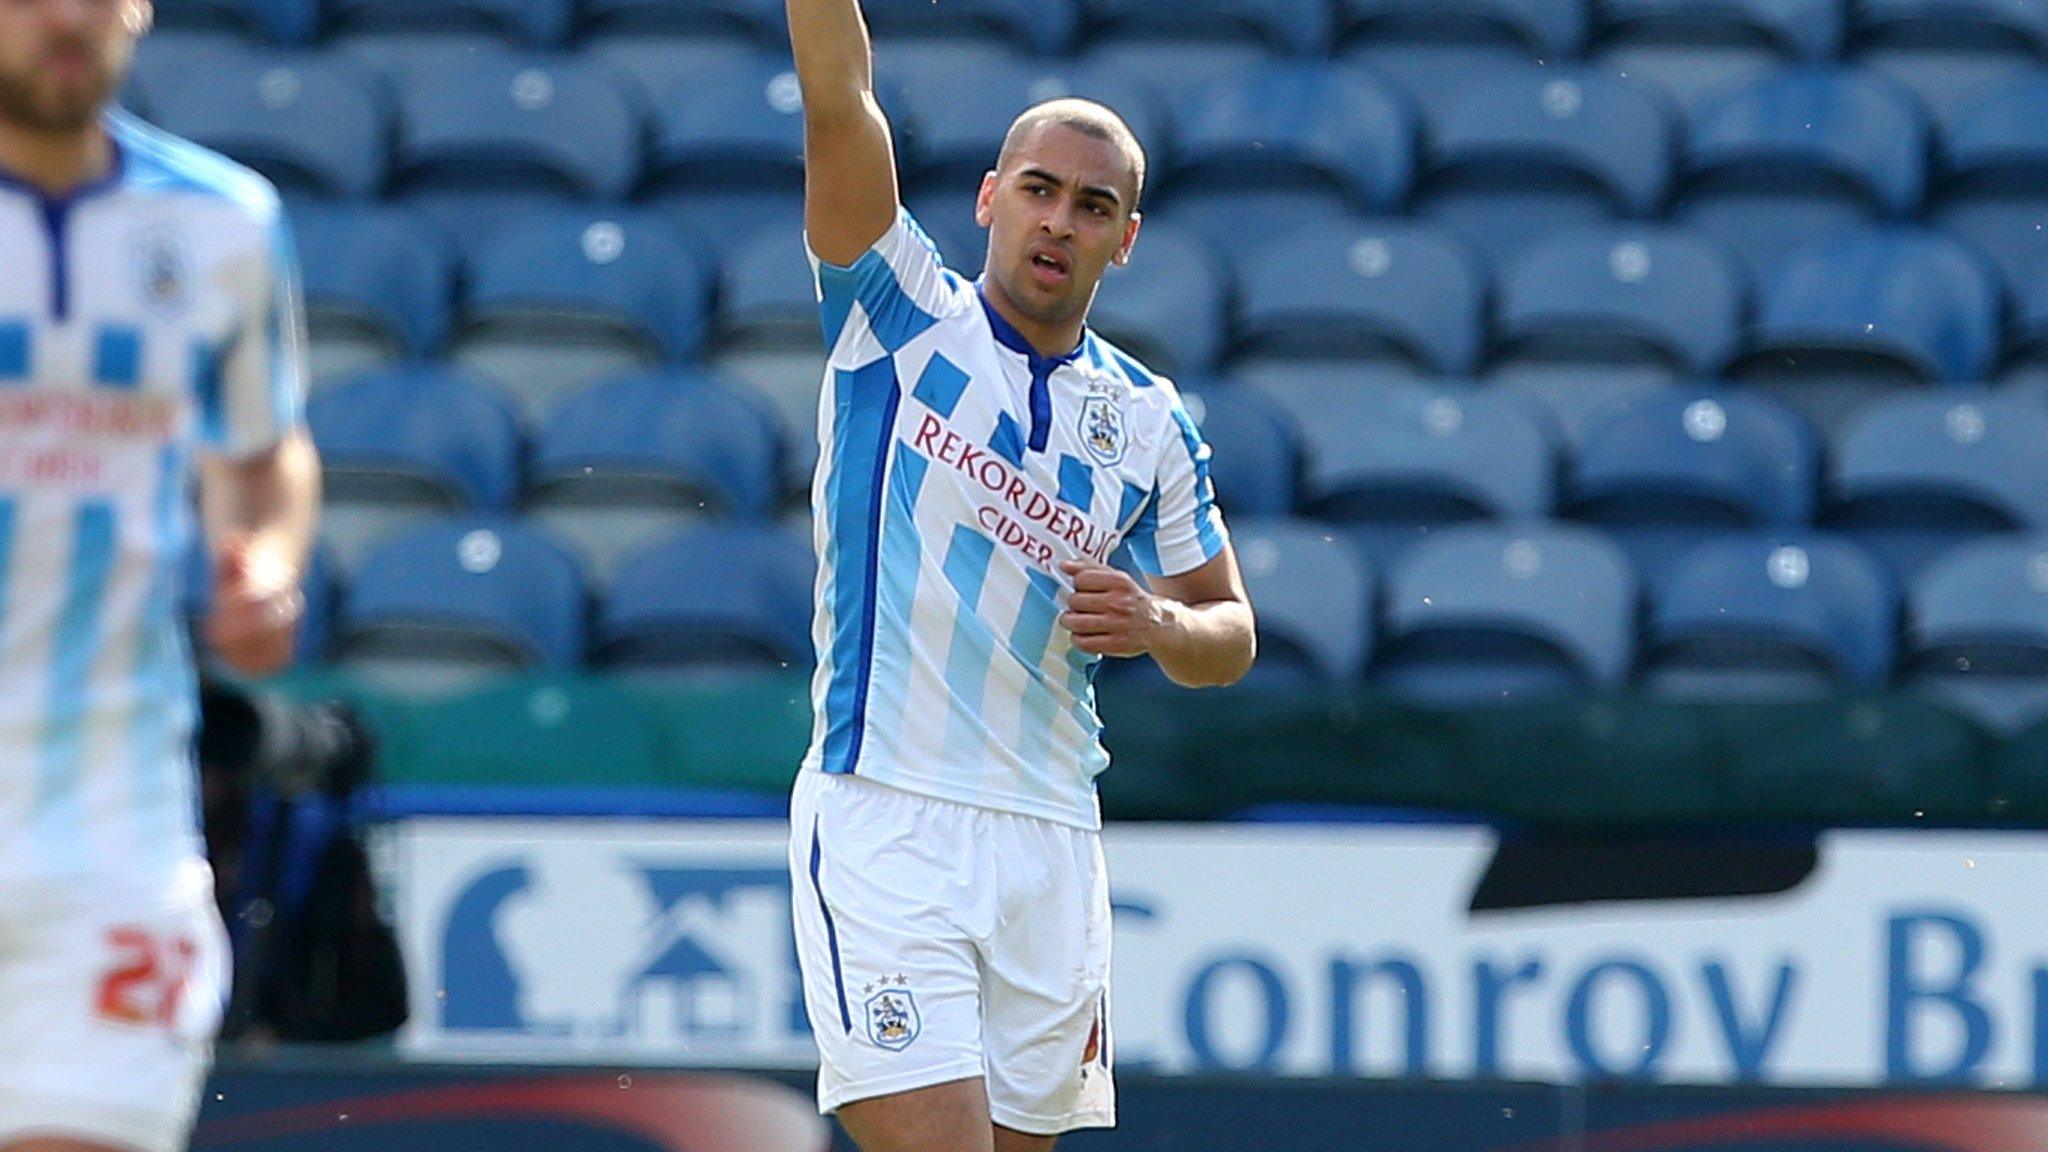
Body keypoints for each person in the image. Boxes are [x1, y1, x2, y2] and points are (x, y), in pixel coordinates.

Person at [782, 1, 1257, 1149]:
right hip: (885, 809)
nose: (1058, 222)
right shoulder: (895, 314)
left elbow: (1228, 631)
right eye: (1038, 189)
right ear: (989, 198)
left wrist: (1154, 622)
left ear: (1124, 238)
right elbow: (839, 96)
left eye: (1092, 207)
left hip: (1051, 833)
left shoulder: (1146, 419)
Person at [0, 2, 320, 1150]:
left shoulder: (222, 223)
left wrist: (268, 565)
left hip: (110, 827)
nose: (65, 19)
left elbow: (263, 448)